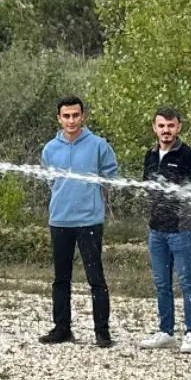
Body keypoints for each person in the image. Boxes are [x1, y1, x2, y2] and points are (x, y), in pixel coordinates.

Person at [39, 95, 119, 348]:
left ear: (83, 116)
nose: (71, 120)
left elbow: (111, 177)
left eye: (75, 115)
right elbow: (50, 181)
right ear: (59, 118)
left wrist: (97, 197)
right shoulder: (50, 148)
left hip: (89, 221)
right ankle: (62, 328)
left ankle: (102, 332)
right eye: (66, 116)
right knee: (61, 278)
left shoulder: (98, 145)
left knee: (96, 278)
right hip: (60, 220)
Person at [141, 107, 191, 353]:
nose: (165, 130)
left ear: (178, 127)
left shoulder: (190, 156)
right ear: (154, 128)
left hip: (182, 229)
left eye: (170, 126)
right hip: (156, 229)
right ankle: (165, 331)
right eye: (161, 126)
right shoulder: (150, 154)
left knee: (187, 282)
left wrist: (178, 193)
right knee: (161, 283)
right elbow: (147, 184)